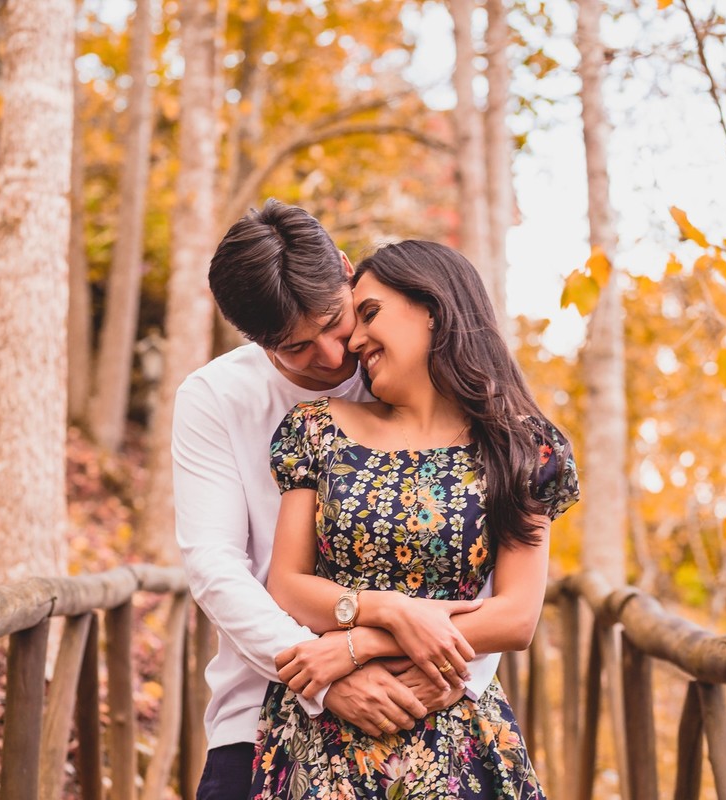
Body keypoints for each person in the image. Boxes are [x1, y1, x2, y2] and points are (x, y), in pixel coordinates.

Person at [174, 202, 499, 800]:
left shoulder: (416, 371)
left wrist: (451, 672)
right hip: (261, 706)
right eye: (295, 347)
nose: (329, 355)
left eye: (333, 321)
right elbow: (215, 565)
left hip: (430, 696)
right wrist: (322, 679)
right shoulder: (215, 397)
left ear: (347, 271)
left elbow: (480, 549)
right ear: (253, 339)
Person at [250, 240, 579, 798]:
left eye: (370, 313)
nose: (354, 339)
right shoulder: (315, 429)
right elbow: (286, 584)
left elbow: (517, 617)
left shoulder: (523, 446)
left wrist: (364, 644)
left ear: (434, 307)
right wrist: (394, 613)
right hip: (324, 737)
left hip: (456, 734)